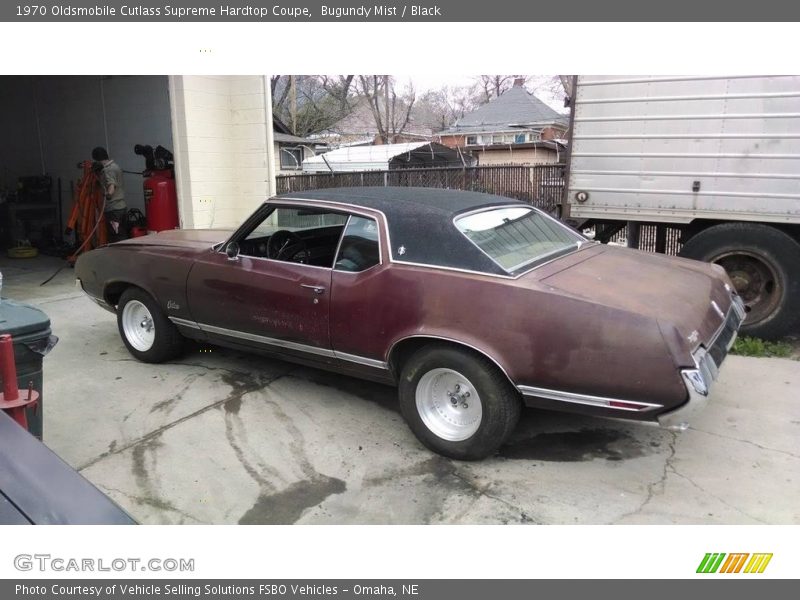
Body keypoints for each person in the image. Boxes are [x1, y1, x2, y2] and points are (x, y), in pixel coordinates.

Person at [92, 146, 128, 242]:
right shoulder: (116, 166)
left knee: (116, 237)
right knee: (122, 234)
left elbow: (111, 186)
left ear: (98, 160)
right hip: (122, 207)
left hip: (113, 209)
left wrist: (107, 195)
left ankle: (118, 252)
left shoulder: (107, 170)